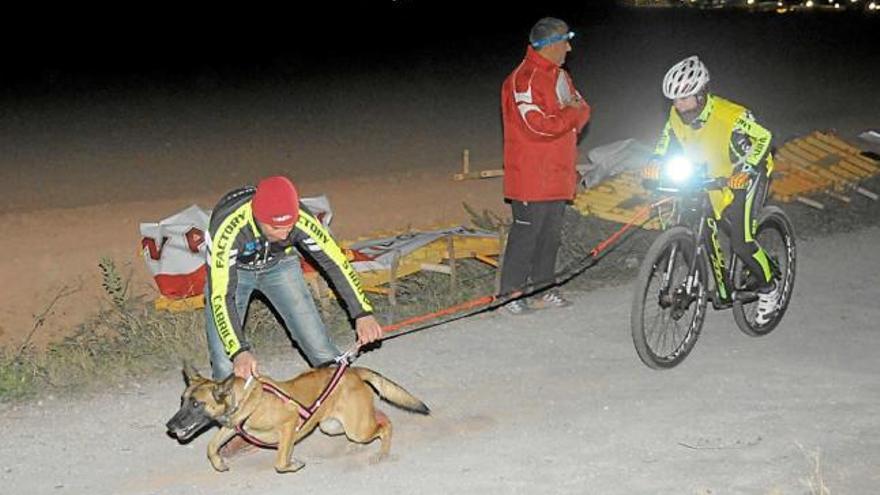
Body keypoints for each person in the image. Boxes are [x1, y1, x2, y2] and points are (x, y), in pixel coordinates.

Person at [203, 175, 383, 381]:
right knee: (224, 363)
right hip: (236, 273)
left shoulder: (300, 219)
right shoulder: (227, 229)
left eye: (289, 227)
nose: (283, 236)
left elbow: (335, 262)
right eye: (276, 228)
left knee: (320, 347)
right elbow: (221, 296)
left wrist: (362, 312)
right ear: (258, 218)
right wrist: (238, 351)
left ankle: (345, 400)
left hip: (279, 265)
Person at [644, 55, 780, 324]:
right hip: (709, 172)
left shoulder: (731, 115)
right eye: (674, 100)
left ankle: (770, 289)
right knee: (694, 219)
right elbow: (665, 138)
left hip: (745, 173)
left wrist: (746, 169)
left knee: (741, 242)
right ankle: (716, 280)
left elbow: (764, 137)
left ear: (702, 93)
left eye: (684, 98)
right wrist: (656, 160)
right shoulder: (676, 114)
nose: (678, 105)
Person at [499, 17, 591, 315]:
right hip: (531, 176)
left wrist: (569, 116)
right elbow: (537, 126)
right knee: (526, 237)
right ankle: (510, 295)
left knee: (550, 237)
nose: (569, 47)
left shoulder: (560, 77)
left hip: (556, 174)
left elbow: (584, 108)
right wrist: (570, 117)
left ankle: (543, 290)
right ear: (550, 44)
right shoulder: (523, 79)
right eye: (565, 40)